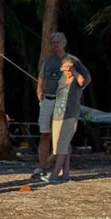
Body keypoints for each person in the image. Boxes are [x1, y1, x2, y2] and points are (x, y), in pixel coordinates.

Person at [36, 34, 90, 184]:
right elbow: (42, 80)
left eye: (57, 42)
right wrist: (39, 92)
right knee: (52, 137)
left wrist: (72, 70)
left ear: (64, 43)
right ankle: (52, 169)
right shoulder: (54, 69)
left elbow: (84, 80)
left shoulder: (74, 67)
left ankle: (57, 173)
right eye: (52, 43)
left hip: (69, 112)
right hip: (54, 107)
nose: (55, 45)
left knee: (62, 142)